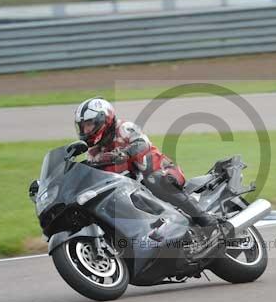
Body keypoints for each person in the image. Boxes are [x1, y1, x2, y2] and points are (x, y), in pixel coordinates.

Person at [74, 97, 220, 236]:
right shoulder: (93, 152)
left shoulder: (124, 128)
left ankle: (204, 219)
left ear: (103, 119)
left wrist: (124, 153)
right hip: (132, 187)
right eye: (83, 127)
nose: (86, 130)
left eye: (89, 124)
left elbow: (142, 143)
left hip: (163, 172)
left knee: (153, 178)